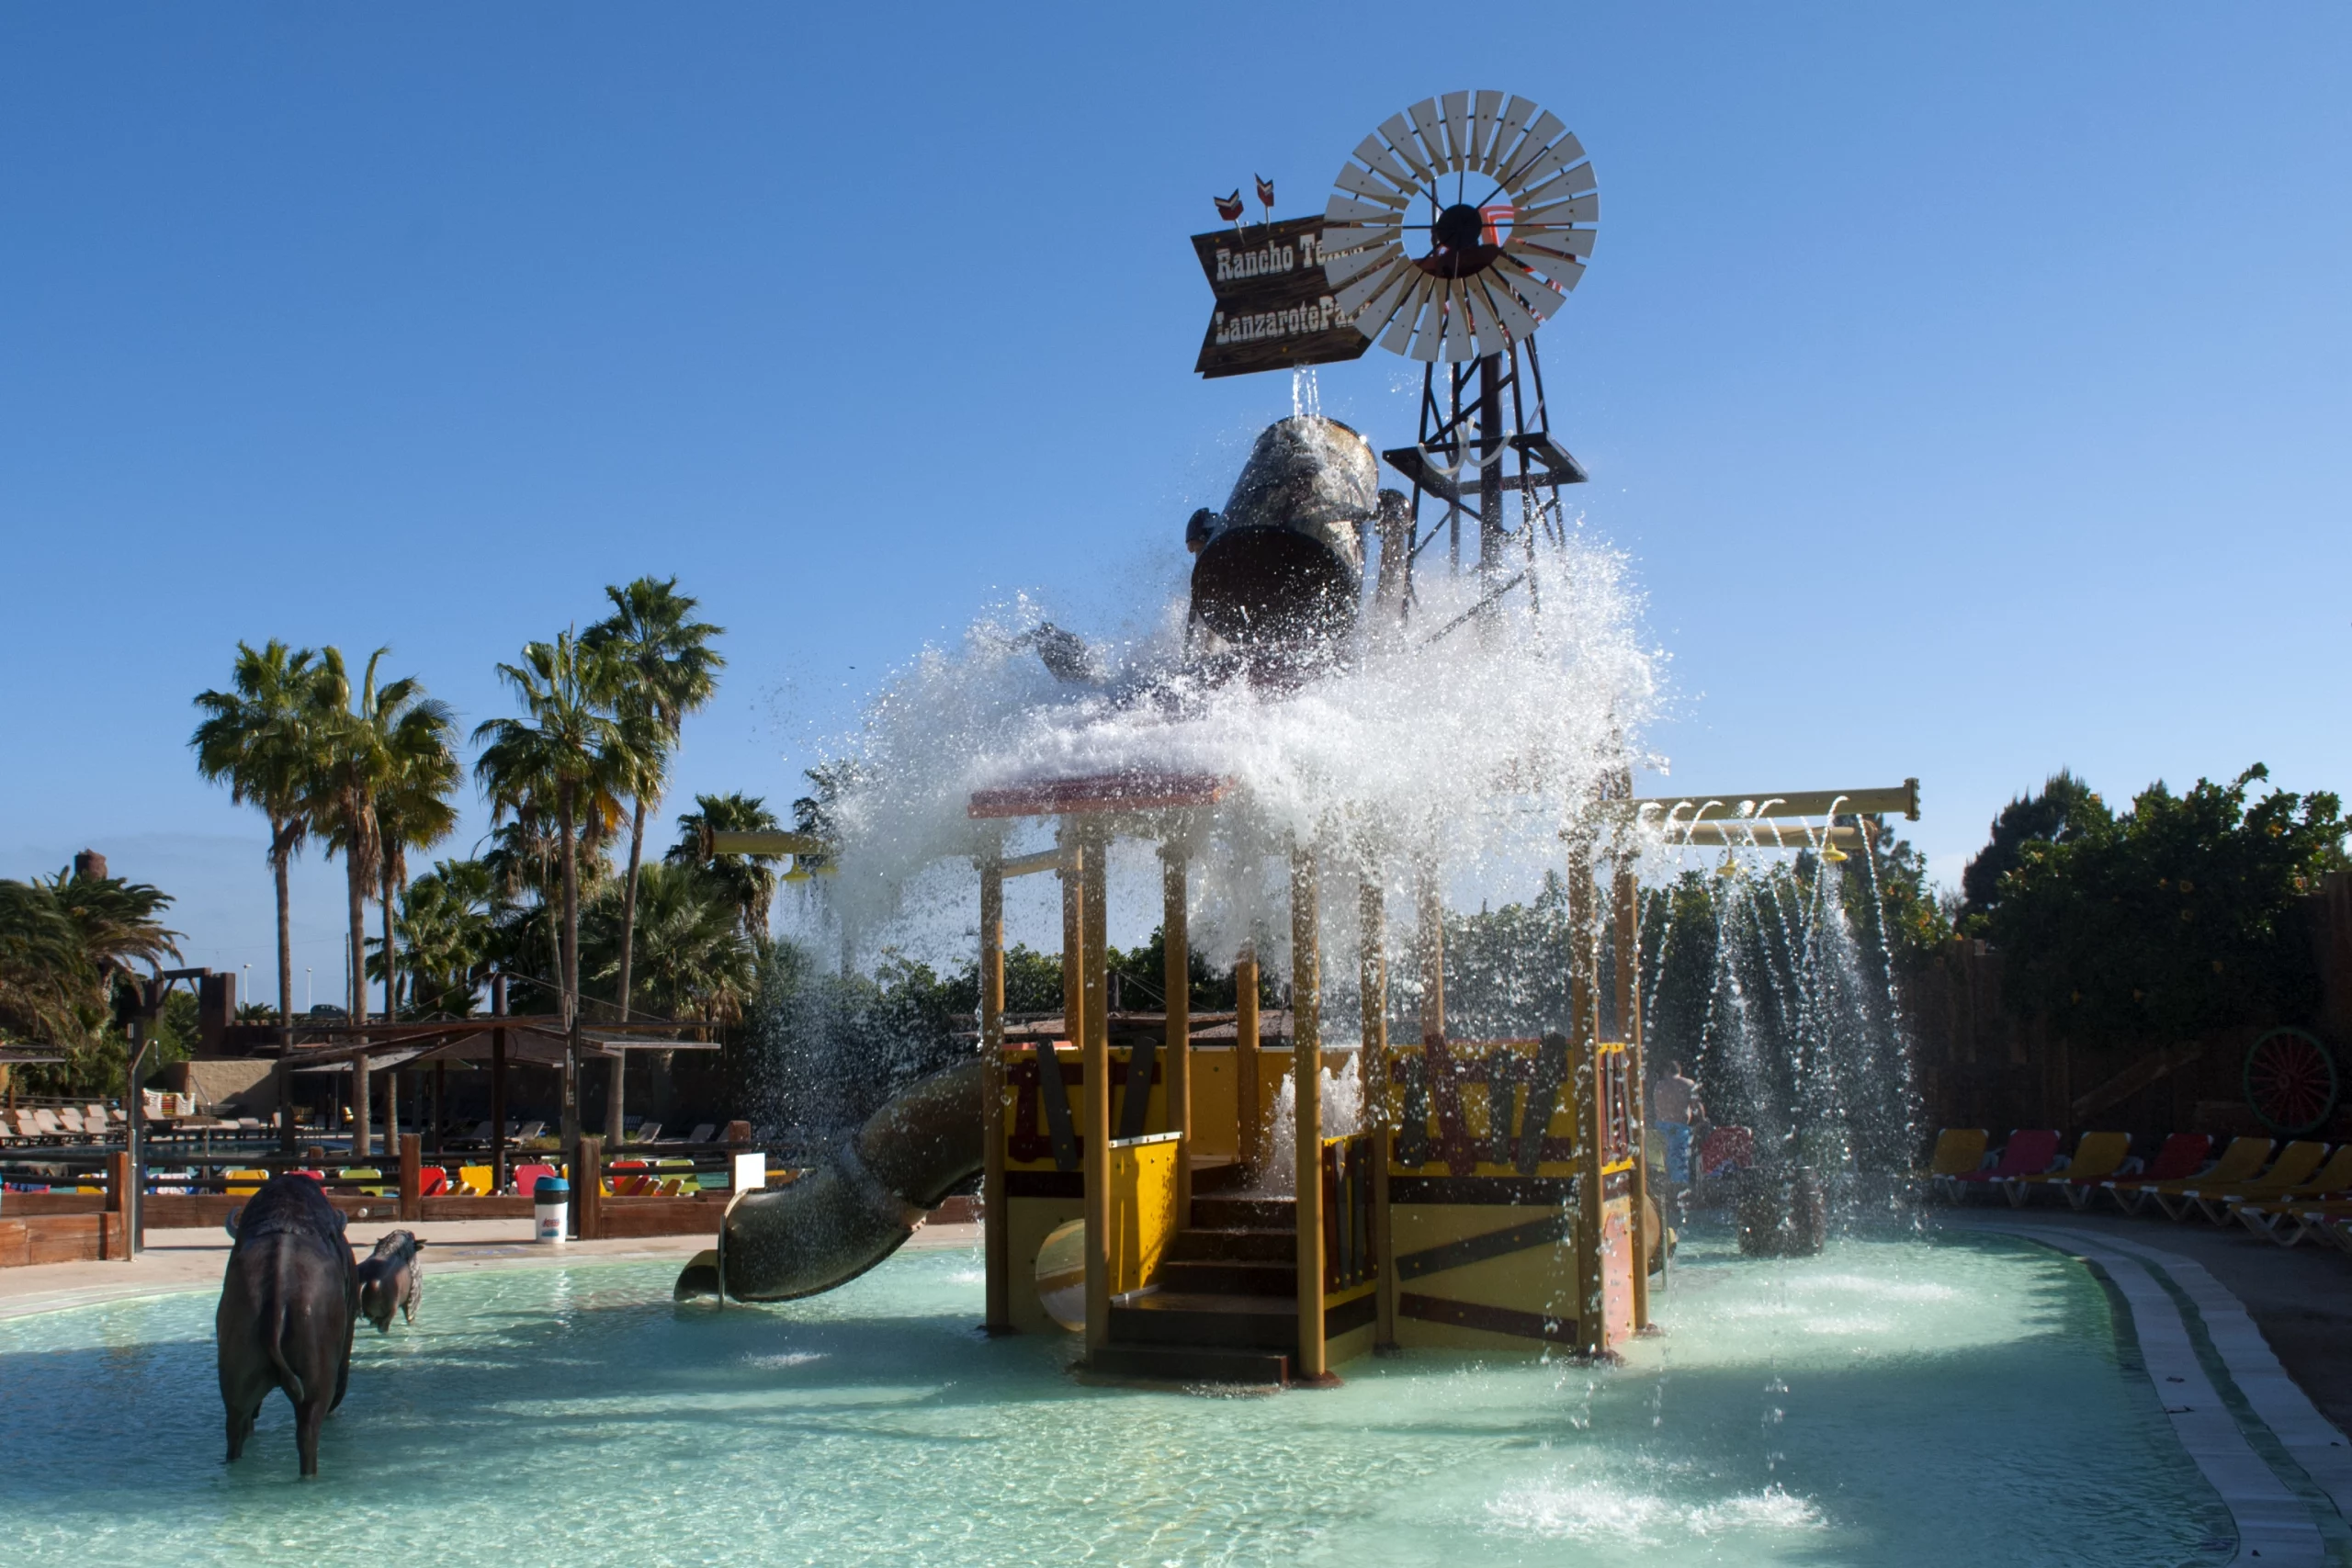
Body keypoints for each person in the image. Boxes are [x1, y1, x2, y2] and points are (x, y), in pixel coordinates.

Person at [1654, 1061, 1702, 1184]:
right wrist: (1702, 1120)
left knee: (1661, 1160)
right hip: (1678, 1128)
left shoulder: (1659, 1085)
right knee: (1679, 1161)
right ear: (1678, 1071)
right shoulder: (1687, 1084)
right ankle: (1679, 1190)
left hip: (1660, 1127)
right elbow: (1697, 1106)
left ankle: (1661, 1186)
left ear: (1666, 1071)